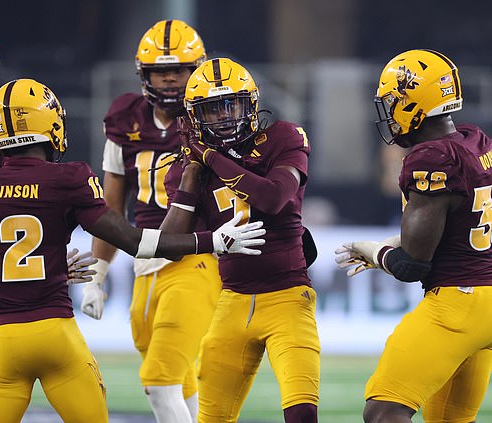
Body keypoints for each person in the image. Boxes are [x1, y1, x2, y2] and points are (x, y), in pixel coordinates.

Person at [0, 78, 266, 423]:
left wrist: (41, 267)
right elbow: (134, 242)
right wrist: (212, 241)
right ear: (50, 124)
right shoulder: (67, 178)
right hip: (55, 338)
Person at [335, 49, 492, 423]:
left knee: (383, 410)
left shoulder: (431, 158)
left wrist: (372, 251)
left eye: (393, 102)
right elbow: (461, 223)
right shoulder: (476, 142)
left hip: (458, 305)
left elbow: (411, 266)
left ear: (412, 103)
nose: (388, 113)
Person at [161, 57, 320, 423]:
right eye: (212, 110)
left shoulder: (282, 137)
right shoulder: (191, 165)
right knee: (212, 418)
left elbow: (273, 198)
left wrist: (212, 158)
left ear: (251, 104)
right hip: (231, 301)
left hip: (288, 298)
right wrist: (189, 180)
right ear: (195, 117)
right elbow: (171, 247)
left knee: (302, 414)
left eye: (231, 104)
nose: (224, 116)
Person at [84, 19, 222, 422]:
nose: (169, 81)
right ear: (144, 74)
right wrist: (98, 273)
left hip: (198, 256)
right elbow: (111, 205)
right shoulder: (125, 118)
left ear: (196, 70)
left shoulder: (213, 119)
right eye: (161, 72)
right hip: (144, 260)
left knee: (158, 380)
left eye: (178, 71)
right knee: (178, 383)